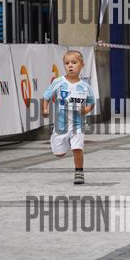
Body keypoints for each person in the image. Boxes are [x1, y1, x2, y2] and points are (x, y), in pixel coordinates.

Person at [42, 50, 95, 184]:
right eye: (67, 63)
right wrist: (45, 108)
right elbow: (46, 96)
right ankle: (64, 142)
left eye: (74, 62)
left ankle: (79, 173)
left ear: (82, 65)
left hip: (77, 125)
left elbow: (92, 103)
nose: (70, 65)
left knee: (77, 149)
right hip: (61, 125)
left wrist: (85, 110)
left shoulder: (85, 86)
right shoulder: (58, 82)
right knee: (59, 154)